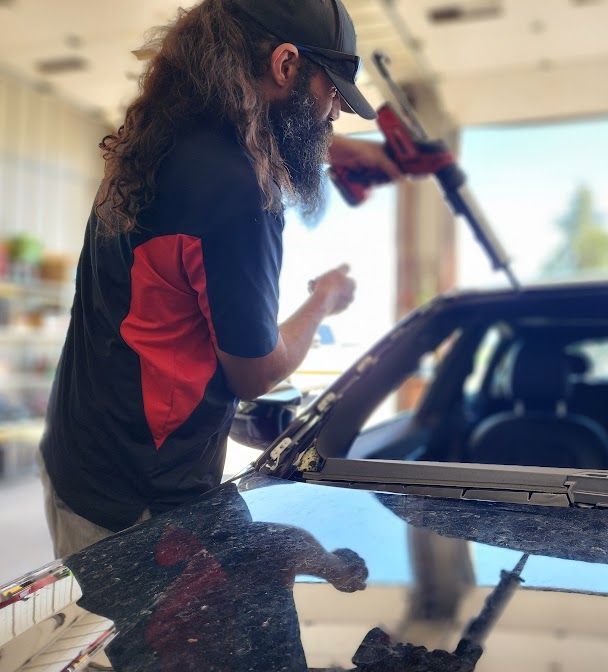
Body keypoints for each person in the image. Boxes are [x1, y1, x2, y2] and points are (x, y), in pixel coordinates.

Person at [38, 0, 401, 559]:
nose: (334, 114)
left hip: (80, 463)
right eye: (330, 91)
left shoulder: (156, 141)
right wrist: (324, 301)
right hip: (139, 509)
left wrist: (338, 152)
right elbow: (256, 373)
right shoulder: (241, 191)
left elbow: (163, 318)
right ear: (285, 65)